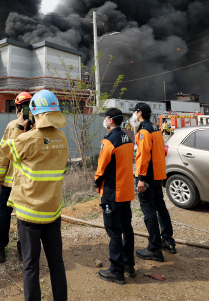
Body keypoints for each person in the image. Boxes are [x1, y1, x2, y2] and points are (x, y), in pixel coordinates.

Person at [0, 89, 68, 301]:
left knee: (30, 265)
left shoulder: (27, 138)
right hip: (52, 212)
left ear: (34, 111)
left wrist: (20, 126)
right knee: (56, 262)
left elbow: (6, 150)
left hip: (29, 215)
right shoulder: (62, 139)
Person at [0, 91, 32, 263]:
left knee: (4, 214)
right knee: (25, 216)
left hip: (11, 181)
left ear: (18, 107)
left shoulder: (13, 125)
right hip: (30, 182)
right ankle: (24, 252)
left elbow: (4, 153)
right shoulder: (39, 126)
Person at [131, 102, 176, 262]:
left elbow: (143, 156)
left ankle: (154, 248)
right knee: (161, 208)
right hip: (158, 174)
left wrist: (141, 179)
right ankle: (168, 241)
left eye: (135, 112)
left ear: (140, 112)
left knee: (149, 211)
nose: (133, 116)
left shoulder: (144, 131)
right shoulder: (155, 128)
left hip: (147, 177)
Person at [94, 108, 135, 285]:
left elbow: (101, 167)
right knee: (127, 227)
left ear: (110, 120)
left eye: (106, 118)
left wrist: (96, 182)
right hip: (126, 190)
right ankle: (129, 265)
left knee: (114, 231)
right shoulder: (127, 137)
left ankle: (116, 271)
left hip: (112, 192)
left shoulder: (109, 141)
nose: (105, 120)